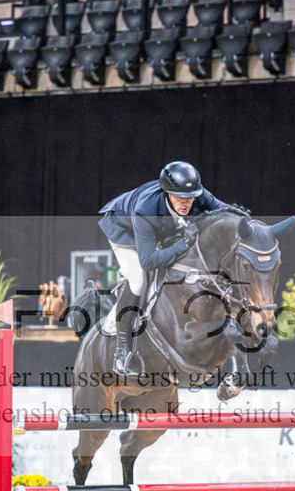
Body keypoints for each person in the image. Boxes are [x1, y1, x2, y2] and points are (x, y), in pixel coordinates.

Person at [98, 161, 230, 376]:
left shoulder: (195, 194)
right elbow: (148, 261)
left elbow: (225, 211)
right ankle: (122, 352)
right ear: (167, 193)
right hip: (125, 233)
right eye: (180, 198)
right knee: (139, 280)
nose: (187, 203)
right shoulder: (146, 210)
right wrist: (183, 244)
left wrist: (250, 228)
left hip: (160, 232)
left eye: (191, 197)